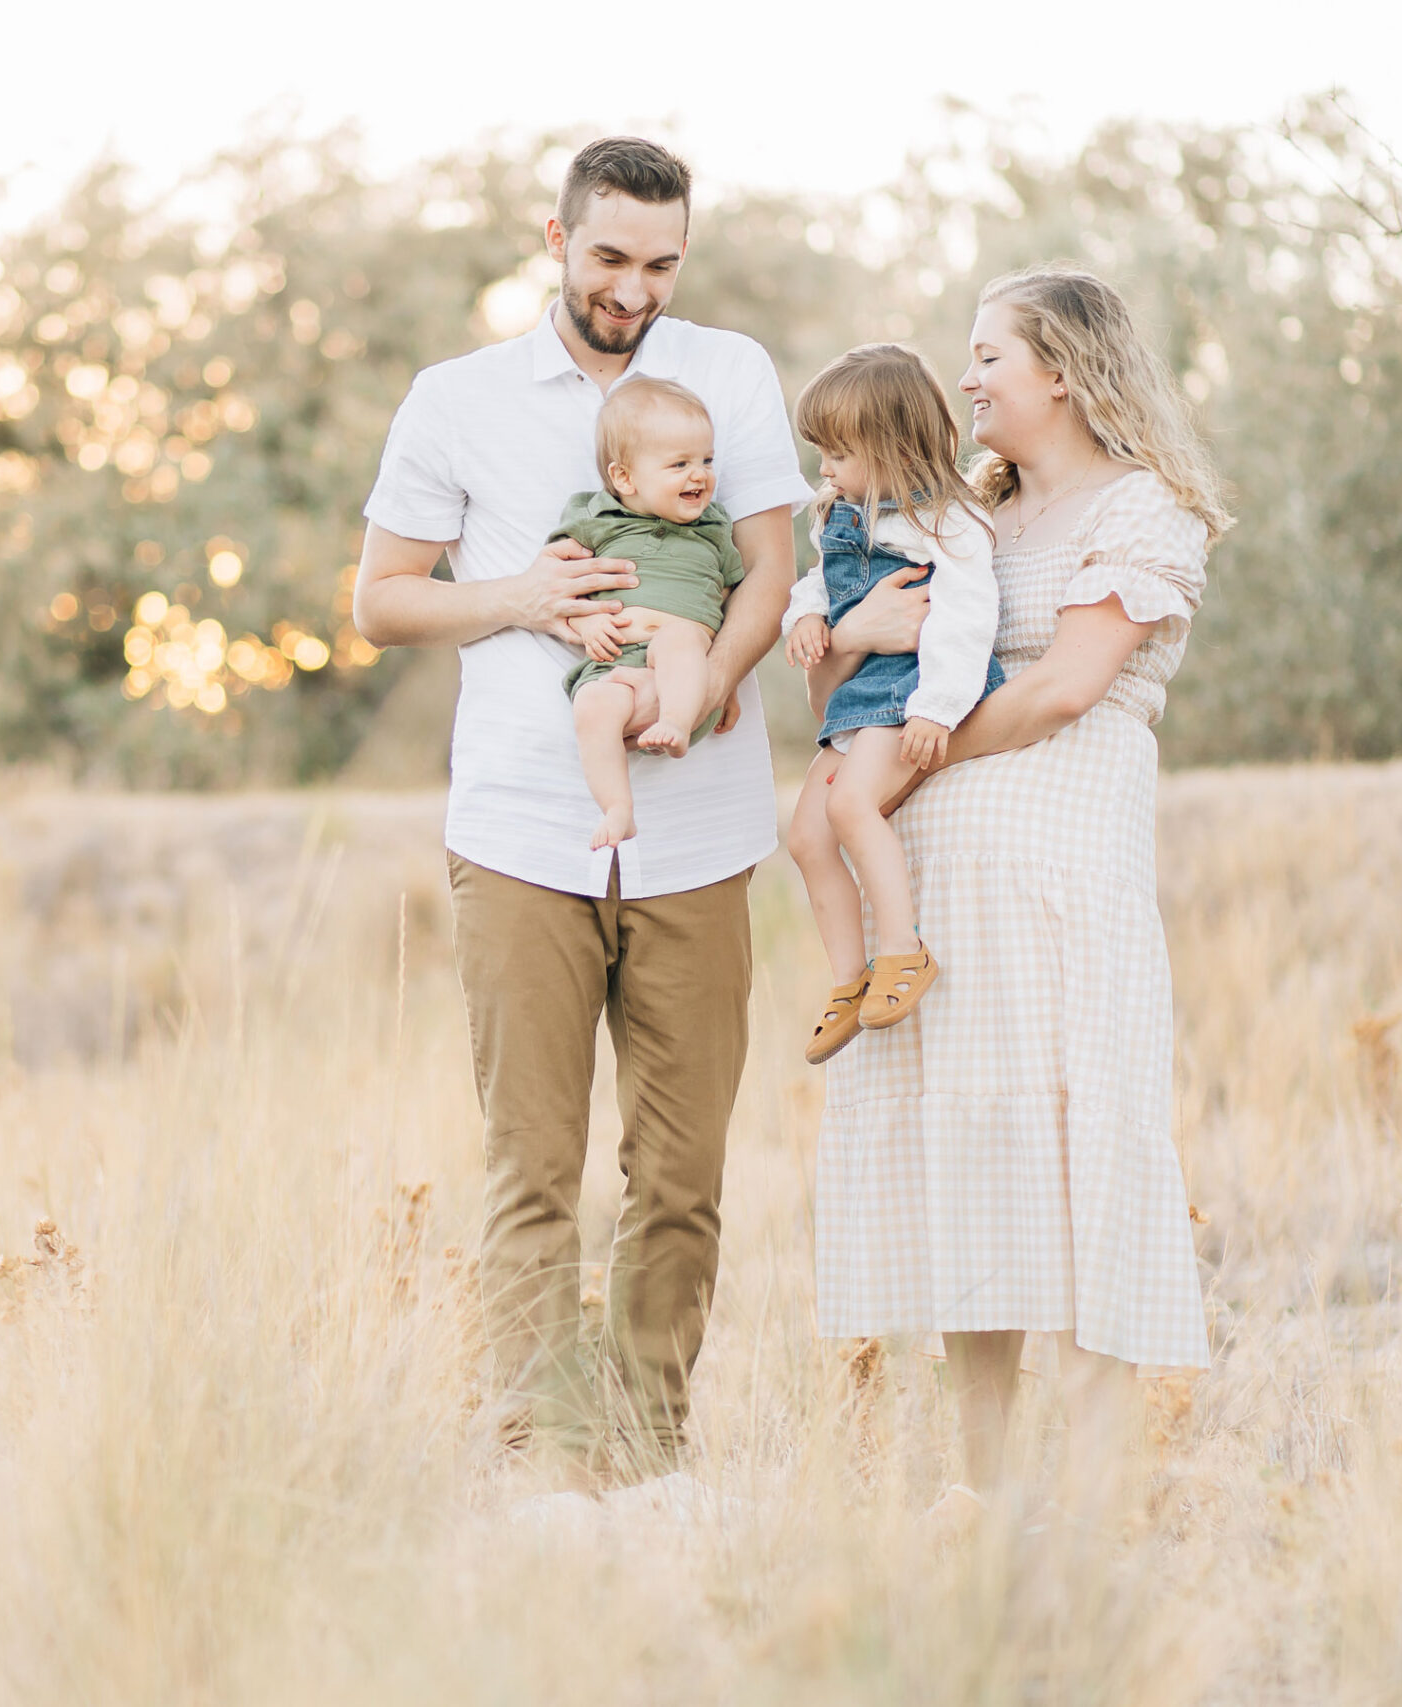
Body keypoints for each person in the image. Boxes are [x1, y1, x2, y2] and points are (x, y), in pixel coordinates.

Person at [350, 137, 812, 1482]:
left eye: (662, 263)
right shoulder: (458, 397)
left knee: (680, 1173)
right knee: (530, 1170)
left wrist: (712, 682)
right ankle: (540, 1450)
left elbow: (770, 569)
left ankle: (649, 1446)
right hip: (518, 832)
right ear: (553, 241)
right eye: (610, 257)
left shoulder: (731, 373)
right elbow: (380, 598)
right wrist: (517, 597)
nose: (635, 288)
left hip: (703, 832)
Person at [809, 267, 1232, 1519]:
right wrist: (858, 647)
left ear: (1062, 369)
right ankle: (982, 1490)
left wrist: (906, 763)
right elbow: (853, 650)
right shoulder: (960, 514)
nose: (967, 377)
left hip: (1060, 859)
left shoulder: (1144, 512)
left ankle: (1093, 1485)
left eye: (989, 353)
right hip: (937, 869)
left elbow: (1060, 691)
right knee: (967, 1143)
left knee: (1075, 1125)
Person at [776, 345, 1002, 1064]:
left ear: (891, 446)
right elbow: (820, 583)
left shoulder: (948, 525)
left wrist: (937, 706)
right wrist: (806, 619)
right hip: (854, 699)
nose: (826, 468)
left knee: (850, 809)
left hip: (910, 690)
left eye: (839, 453)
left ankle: (904, 952)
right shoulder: (838, 514)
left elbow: (966, 619)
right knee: (806, 835)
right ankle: (849, 977)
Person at [555, 376, 748, 849]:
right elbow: (557, 588)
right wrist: (586, 621)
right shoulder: (595, 518)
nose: (699, 475)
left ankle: (677, 724)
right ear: (624, 477)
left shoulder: (714, 528)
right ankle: (618, 807)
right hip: (613, 661)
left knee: (678, 638)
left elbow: (728, 598)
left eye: (706, 460)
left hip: (683, 666)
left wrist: (728, 682)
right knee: (592, 707)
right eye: (679, 464)